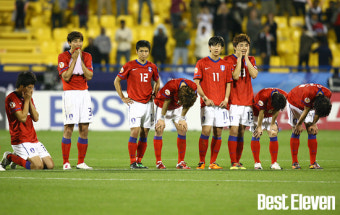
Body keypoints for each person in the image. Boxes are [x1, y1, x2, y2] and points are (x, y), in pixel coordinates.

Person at [114, 40, 160, 169]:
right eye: (141, 51)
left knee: (145, 133)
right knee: (135, 131)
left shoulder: (152, 66)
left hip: (148, 104)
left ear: (149, 52)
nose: (144, 54)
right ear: (136, 51)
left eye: (146, 51)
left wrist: (155, 92)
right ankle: (132, 161)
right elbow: (117, 81)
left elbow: (157, 80)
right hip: (135, 103)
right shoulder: (129, 65)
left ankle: (139, 161)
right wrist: (123, 97)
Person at [1, 72, 54, 170]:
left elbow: (36, 118)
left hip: (33, 138)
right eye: (29, 87)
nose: (31, 90)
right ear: (22, 86)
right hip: (20, 140)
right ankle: (9, 156)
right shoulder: (11, 98)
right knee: (37, 166)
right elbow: (22, 118)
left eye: (32, 88)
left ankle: (19, 157)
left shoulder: (28, 98)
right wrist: (27, 100)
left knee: (50, 166)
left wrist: (28, 100)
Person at [194, 36, 233, 170]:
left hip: (221, 104)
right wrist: (205, 98)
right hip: (208, 104)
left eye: (219, 46)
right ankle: (201, 161)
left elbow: (229, 84)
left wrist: (226, 99)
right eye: (214, 45)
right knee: (206, 130)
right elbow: (196, 83)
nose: (216, 48)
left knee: (218, 133)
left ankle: (213, 162)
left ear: (222, 48)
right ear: (209, 47)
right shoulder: (202, 63)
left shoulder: (226, 65)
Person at [58, 31, 94, 170]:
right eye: (75, 41)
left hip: (84, 94)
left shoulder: (87, 56)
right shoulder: (63, 56)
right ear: (69, 43)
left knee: (84, 128)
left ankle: (80, 162)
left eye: (80, 41)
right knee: (69, 127)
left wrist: (81, 61)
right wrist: (73, 60)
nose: (78, 44)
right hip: (70, 94)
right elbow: (66, 77)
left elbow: (89, 75)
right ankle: (66, 162)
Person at [224, 33, 258, 170]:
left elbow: (254, 75)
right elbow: (235, 76)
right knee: (234, 130)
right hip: (234, 101)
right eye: (241, 46)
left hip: (247, 101)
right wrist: (239, 60)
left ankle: (238, 161)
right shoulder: (228, 59)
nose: (244, 48)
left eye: (246, 45)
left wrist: (246, 59)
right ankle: (233, 162)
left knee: (242, 131)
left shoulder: (252, 59)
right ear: (235, 47)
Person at [153, 78, 197, 169]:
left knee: (183, 129)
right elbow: (166, 101)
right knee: (159, 129)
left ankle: (181, 162)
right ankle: (158, 162)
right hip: (162, 105)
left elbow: (188, 103)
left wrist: (182, 118)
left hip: (177, 107)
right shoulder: (171, 85)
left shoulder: (193, 87)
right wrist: (161, 118)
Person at [287, 83, 332, 169]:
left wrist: (314, 123)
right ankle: (295, 162)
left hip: (308, 103)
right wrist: (299, 124)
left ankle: (313, 163)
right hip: (293, 102)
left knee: (312, 130)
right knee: (296, 131)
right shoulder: (309, 92)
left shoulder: (328, 94)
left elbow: (319, 110)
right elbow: (306, 110)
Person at [250, 88, 287, 170]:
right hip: (258, 113)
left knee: (273, 133)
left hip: (270, 115)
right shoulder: (264, 95)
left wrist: (273, 123)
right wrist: (259, 127)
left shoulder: (282, 95)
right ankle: (257, 163)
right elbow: (261, 112)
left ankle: (274, 163)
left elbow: (277, 109)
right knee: (256, 134)